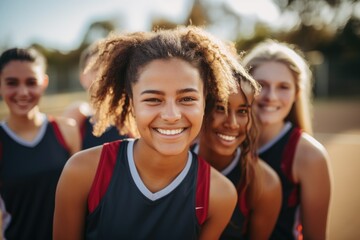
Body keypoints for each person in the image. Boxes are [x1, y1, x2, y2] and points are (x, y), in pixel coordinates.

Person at [53, 25, 243, 240]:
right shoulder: (83, 171)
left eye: (187, 99)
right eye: (153, 99)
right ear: (132, 103)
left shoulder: (219, 195)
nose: (171, 115)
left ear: (205, 101)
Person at [242, 39, 332, 240]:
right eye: (260, 85)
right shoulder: (225, 141)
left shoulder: (309, 155)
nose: (271, 96)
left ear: (296, 94)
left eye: (283, 87)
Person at [192, 65, 282, 239]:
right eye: (220, 107)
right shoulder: (175, 163)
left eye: (242, 111)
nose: (232, 123)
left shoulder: (264, 183)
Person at [0, 47, 81, 239]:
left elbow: (80, 198)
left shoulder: (66, 130)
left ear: (44, 83)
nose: (23, 92)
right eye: (12, 83)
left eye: (31, 82)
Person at [62, 41, 128, 149]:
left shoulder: (131, 121)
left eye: (108, 69)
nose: (102, 76)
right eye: (95, 69)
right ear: (83, 78)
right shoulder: (77, 120)